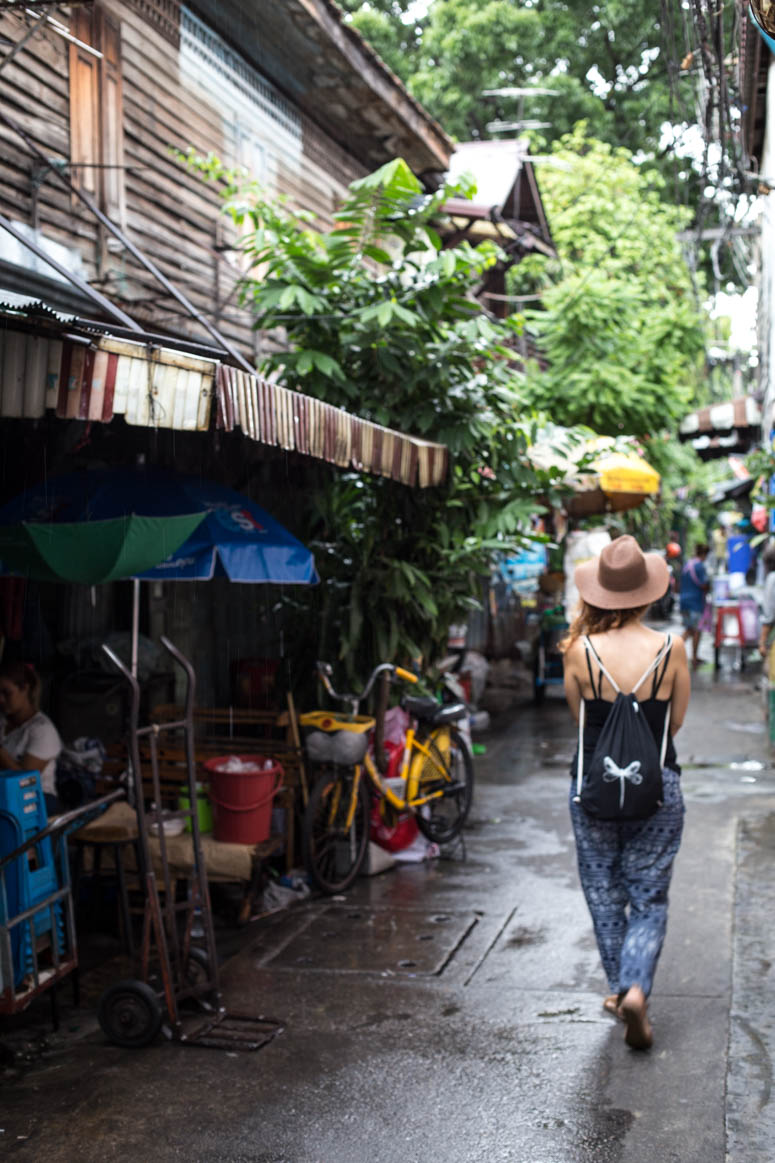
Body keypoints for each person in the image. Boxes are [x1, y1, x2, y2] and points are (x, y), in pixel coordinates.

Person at [562, 535, 691, 1051]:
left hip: (592, 790)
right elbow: (675, 722)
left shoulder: (577, 650)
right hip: (658, 789)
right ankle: (637, 985)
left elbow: (581, 720)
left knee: (604, 893)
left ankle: (622, 989)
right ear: (646, 593)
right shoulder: (671, 648)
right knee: (649, 897)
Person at [0, 660, 62, 815]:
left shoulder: (42, 730)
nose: (0, 699)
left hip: (36, 800)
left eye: (6, 693)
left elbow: (24, 782)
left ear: (25, 689)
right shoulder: (2, 722)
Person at [679, 543, 710, 668]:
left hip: (684, 601)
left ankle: (670, 652)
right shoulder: (699, 566)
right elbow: (704, 584)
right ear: (704, 554)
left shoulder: (687, 564)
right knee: (696, 630)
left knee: (689, 629)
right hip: (695, 602)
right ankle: (694, 657)